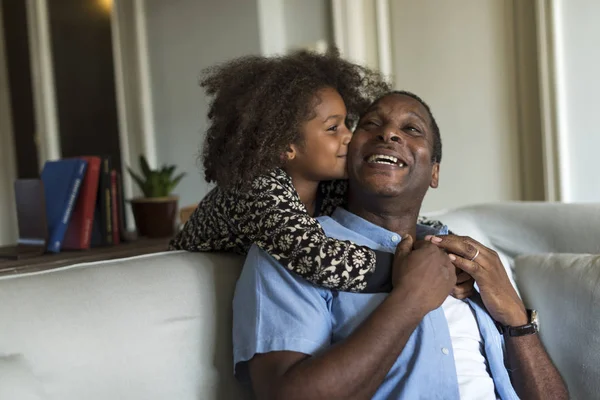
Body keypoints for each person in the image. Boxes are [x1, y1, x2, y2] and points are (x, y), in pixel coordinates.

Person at [232, 91, 568, 399]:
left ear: (434, 173)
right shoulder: (292, 251)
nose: (389, 134)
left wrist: (515, 319)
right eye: (371, 124)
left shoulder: (466, 260)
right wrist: (411, 299)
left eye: (412, 129)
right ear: (348, 157)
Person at [169, 50, 473, 297]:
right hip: (179, 280)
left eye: (347, 124)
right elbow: (321, 259)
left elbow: (402, 223)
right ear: (285, 145)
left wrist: (447, 248)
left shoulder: (330, 187)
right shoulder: (257, 187)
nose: (349, 136)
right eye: (333, 128)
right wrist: (414, 271)